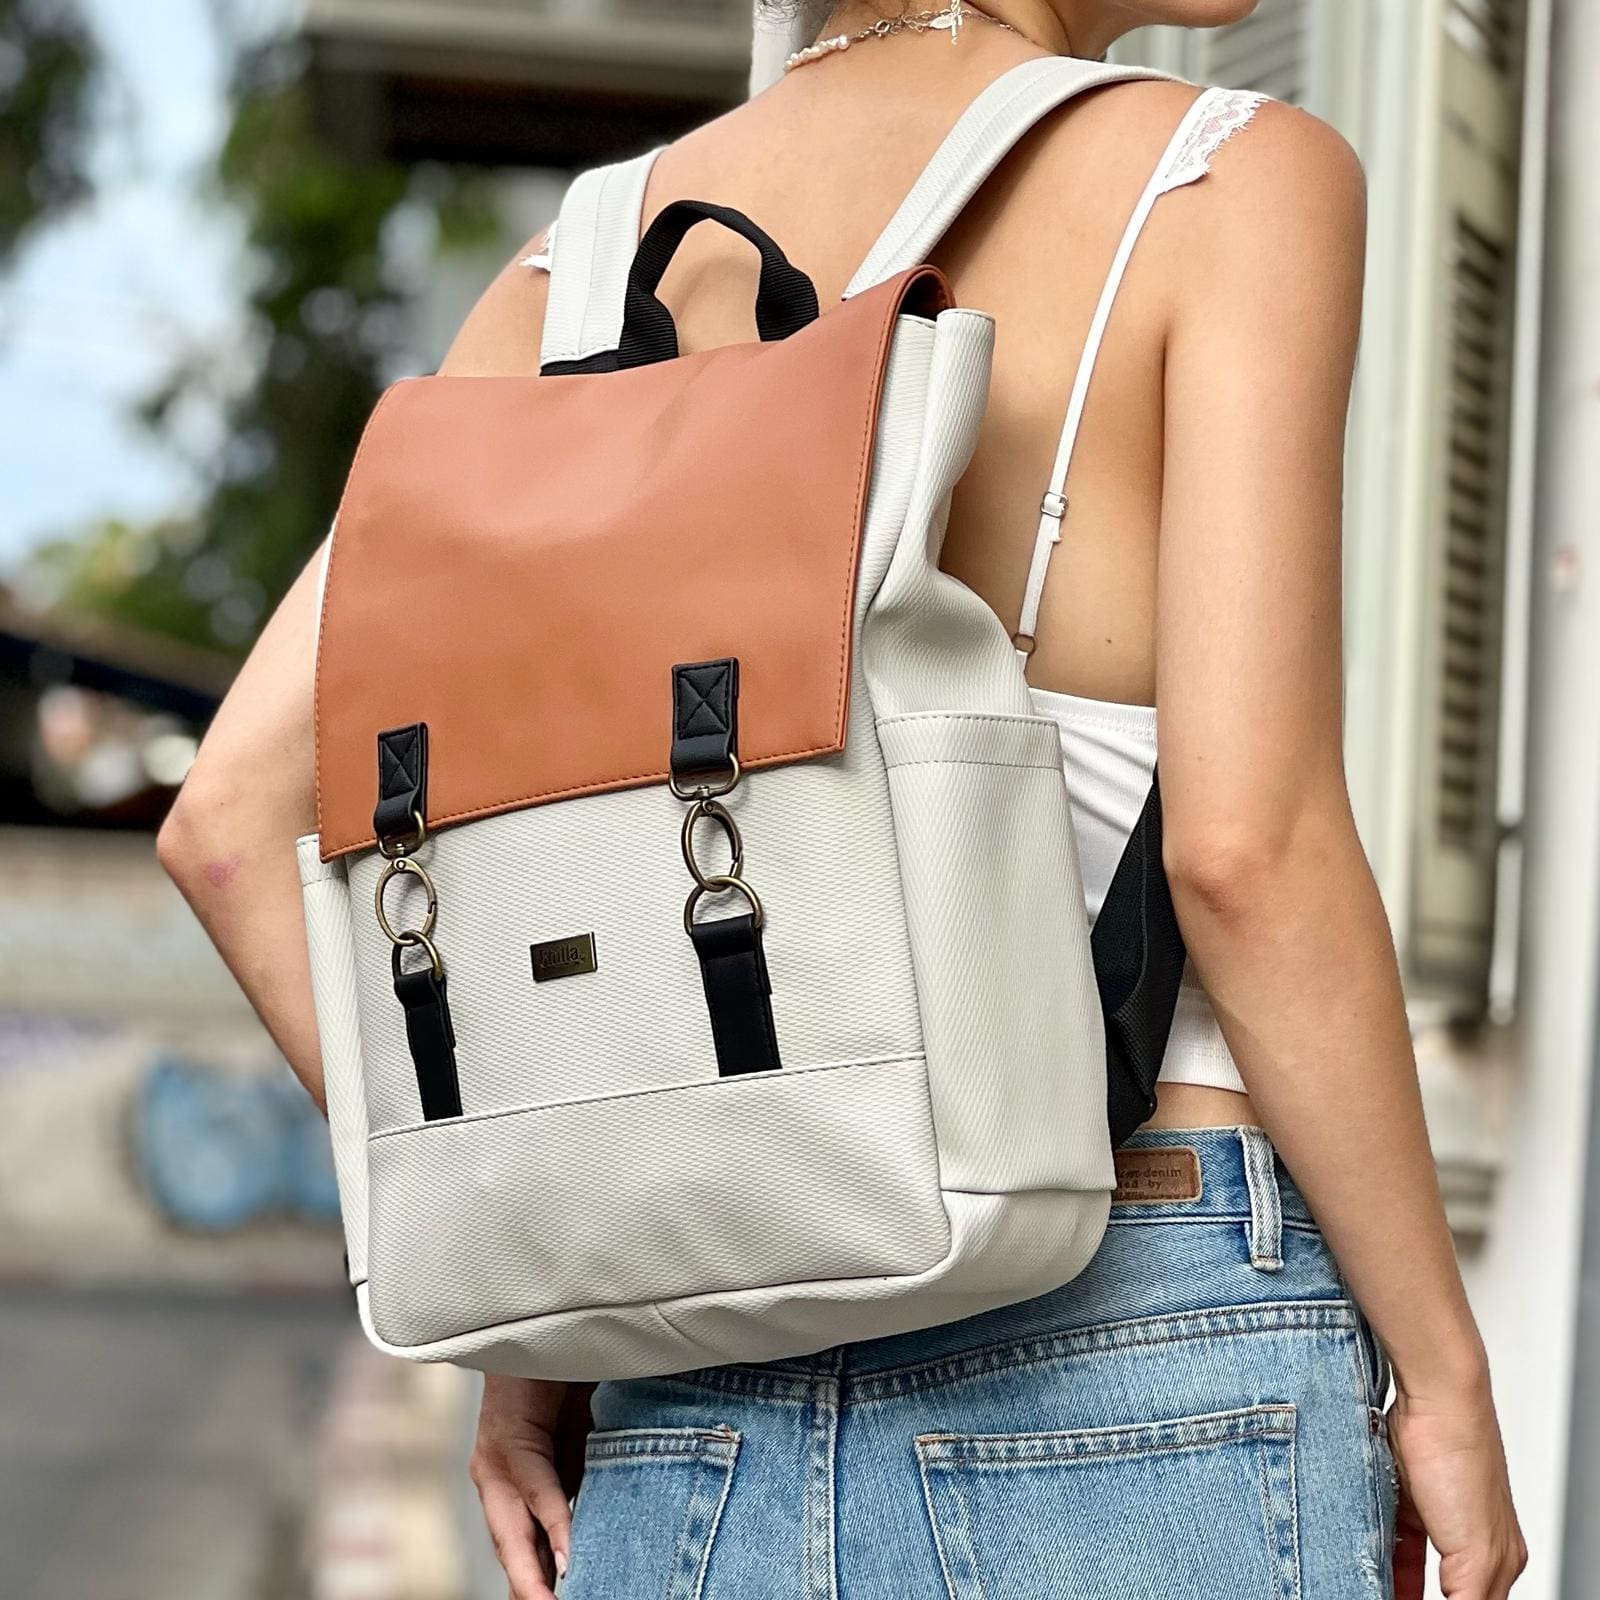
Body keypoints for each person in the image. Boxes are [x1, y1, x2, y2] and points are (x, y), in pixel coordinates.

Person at [158, 2, 1528, 1596]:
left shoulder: (567, 278)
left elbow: (226, 827)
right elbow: (1244, 853)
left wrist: (542, 1276)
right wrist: (1446, 1375)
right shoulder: (1227, 182)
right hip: (1136, 1311)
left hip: (693, 1366)